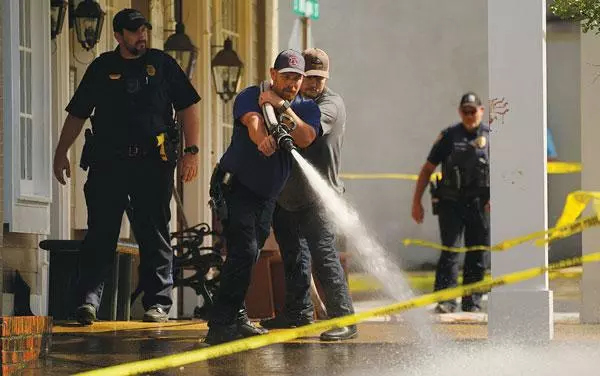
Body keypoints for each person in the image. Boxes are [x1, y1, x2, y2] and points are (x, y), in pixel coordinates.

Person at [52, 8, 201, 324]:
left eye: (144, 30)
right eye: (134, 31)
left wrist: (192, 151)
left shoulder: (162, 64)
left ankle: (157, 302)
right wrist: (61, 151)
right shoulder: (102, 67)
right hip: (109, 163)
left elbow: (188, 107)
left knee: (154, 233)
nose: (141, 36)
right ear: (119, 36)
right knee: (101, 233)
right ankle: (87, 302)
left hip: (153, 164)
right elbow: (78, 113)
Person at [205, 49, 322, 345]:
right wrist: (264, 141)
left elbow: (306, 136)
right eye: (286, 77)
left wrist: (282, 105)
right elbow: (254, 123)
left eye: (298, 78)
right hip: (236, 187)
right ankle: (220, 325)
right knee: (244, 250)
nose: (293, 83)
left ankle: (237, 316)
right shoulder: (250, 94)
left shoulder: (306, 108)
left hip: (266, 197)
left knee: (250, 254)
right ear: (273, 74)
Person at [259, 48, 357, 341]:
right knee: (293, 256)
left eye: (319, 78)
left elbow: (307, 131)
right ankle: (298, 313)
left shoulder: (330, 105)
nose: (313, 84)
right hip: (287, 193)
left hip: (319, 197)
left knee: (324, 256)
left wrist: (277, 102)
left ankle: (345, 319)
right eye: (308, 78)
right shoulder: (296, 100)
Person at [411, 92, 490, 313]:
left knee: (477, 251)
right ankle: (446, 300)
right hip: (451, 203)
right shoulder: (449, 136)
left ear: (481, 111)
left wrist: (496, 199)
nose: (469, 115)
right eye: (465, 111)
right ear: (459, 112)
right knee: (450, 250)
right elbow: (427, 169)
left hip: (479, 203)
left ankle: (472, 300)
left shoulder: (492, 136)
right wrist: (416, 202)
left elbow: (503, 172)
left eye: (473, 111)